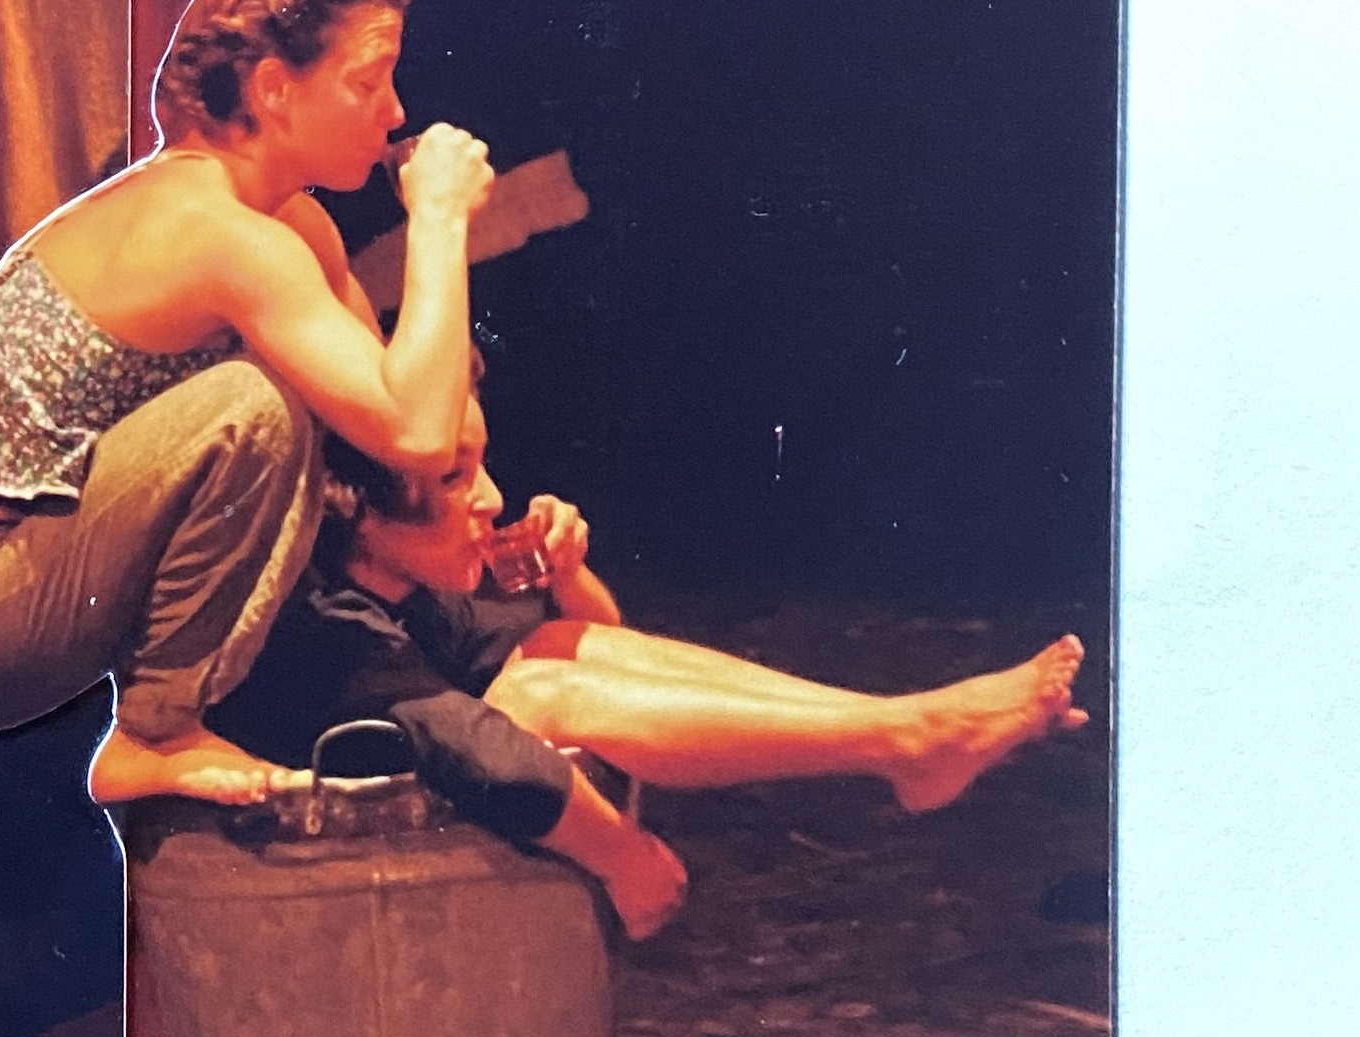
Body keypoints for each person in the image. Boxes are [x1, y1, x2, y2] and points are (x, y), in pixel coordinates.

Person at [0, 0, 494, 810]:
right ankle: (154, 734)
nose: (395, 112)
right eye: (367, 82)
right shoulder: (214, 232)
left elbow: (410, 433)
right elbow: (418, 431)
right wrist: (437, 220)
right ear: (275, 90)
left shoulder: (287, 228)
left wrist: (494, 521)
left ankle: (175, 720)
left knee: (288, 408)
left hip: (37, 574)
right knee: (255, 405)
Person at [214, 392, 1090, 942]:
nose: (490, 498)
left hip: (430, 814)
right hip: (310, 899)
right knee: (536, 691)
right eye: (453, 479)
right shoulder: (326, 627)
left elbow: (600, 652)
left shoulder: (390, 575)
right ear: (360, 513)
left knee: (547, 654)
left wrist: (566, 575)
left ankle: (906, 732)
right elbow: (493, 757)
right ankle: (909, 738)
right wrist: (627, 859)